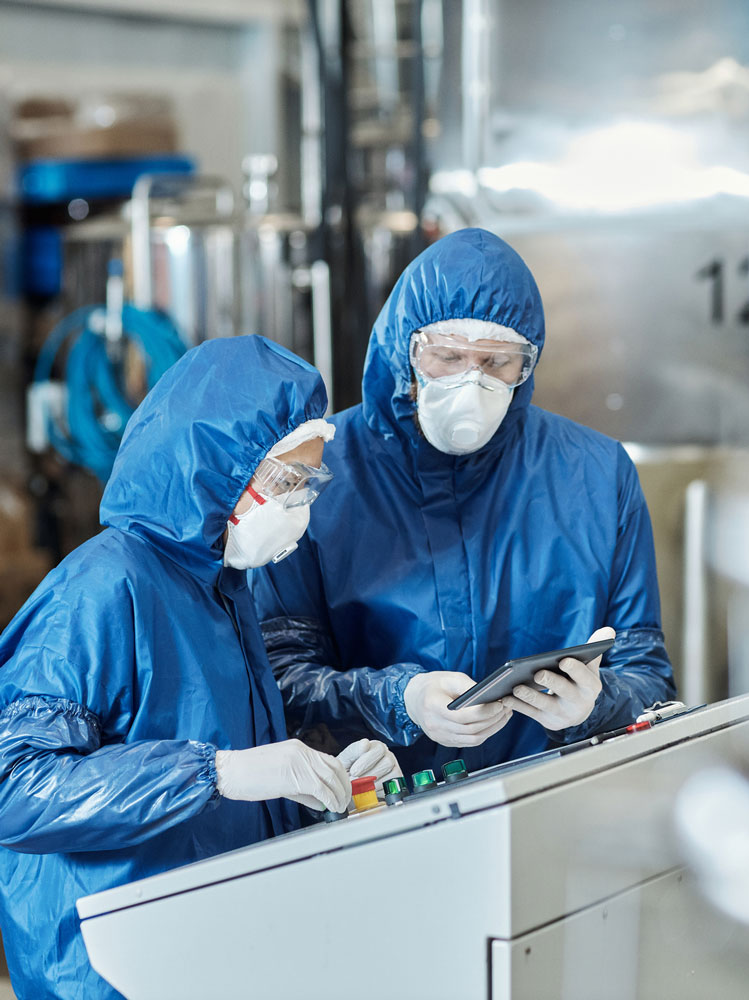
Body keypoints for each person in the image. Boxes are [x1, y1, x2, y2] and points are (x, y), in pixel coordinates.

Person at [0, 335, 399, 1000]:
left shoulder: (223, 589)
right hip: (106, 971)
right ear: (214, 465)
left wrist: (331, 784)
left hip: (203, 947)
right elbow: (17, 786)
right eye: (287, 482)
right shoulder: (103, 588)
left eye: (308, 484)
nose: (300, 504)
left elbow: (228, 791)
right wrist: (218, 772)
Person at [250, 228, 676, 778]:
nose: (470, 383)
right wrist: (399, 699)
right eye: (447, 356)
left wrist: (596, 706)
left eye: (497, 362)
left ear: (528, 364)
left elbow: (648, 677)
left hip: (551, 795)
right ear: (405, 349)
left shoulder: (596, 474)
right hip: (380, 807)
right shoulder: (322, 473)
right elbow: (277, 675)